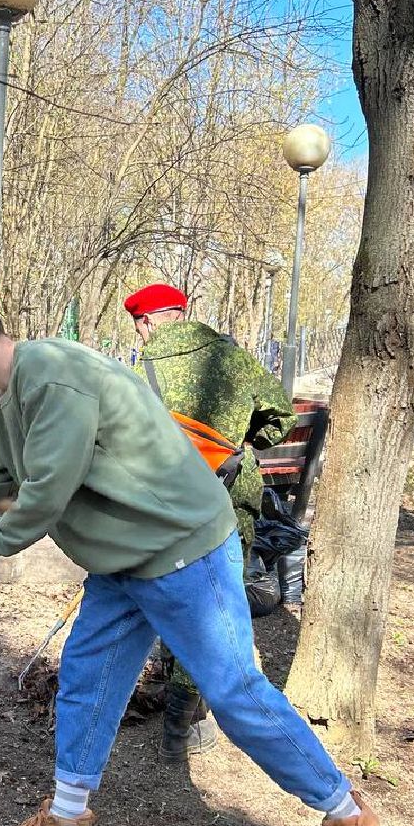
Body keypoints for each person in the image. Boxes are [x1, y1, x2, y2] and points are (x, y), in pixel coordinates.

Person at [0, 286, 389, 826]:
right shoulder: (14, 393)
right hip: (123, 561)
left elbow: (45, 493)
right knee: (87, 678)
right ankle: (68, 822)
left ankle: (350, 818)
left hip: (182, 552)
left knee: (234, 694)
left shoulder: (54, 377)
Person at [124, 283, 297, 762]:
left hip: (162, 505)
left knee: (174, 597)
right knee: (213, 606)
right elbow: (280, 419)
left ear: (146, 322)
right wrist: (240, 443)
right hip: (227, 501)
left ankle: (174, 697)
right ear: (182, 312)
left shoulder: (136, 370)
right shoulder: (230, 356)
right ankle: (185, 723)